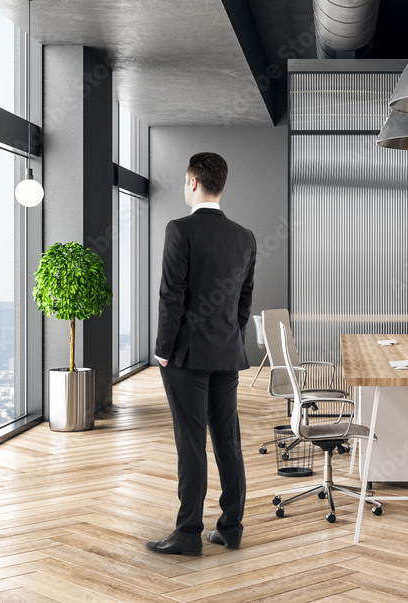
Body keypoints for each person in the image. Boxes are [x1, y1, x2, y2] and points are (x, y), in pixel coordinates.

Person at [147, 152, 256, 557]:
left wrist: (163, 351)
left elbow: (170, 296)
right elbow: (244, 302)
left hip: (187, 358)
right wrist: (231, 338)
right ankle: (231, 528)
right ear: (220, 184)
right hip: (228, 354)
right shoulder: (245, 236)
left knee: (190, 443)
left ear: (193, 182)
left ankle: (189, 533)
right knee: (228, 441)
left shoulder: (180, 229)